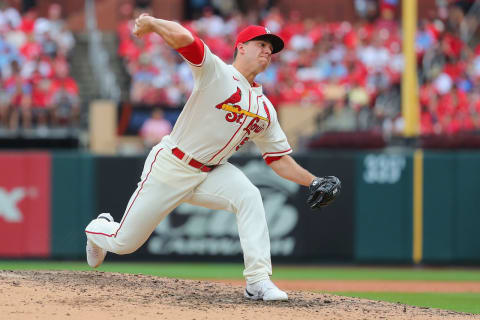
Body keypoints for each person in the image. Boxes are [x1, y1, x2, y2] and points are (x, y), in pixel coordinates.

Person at [85, 13, 340, 301]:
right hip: (172, 165)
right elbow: (186, 40)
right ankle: (98, 228)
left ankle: (257, 281)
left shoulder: (266, 108)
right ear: (241, 47)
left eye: (272, 48)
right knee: (124, 243)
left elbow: (278, 158)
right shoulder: (217, 73)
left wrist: (313, 180)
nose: (268, 50)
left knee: (250, 196)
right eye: (261, 44)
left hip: (212, 171)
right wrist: (154, 23)